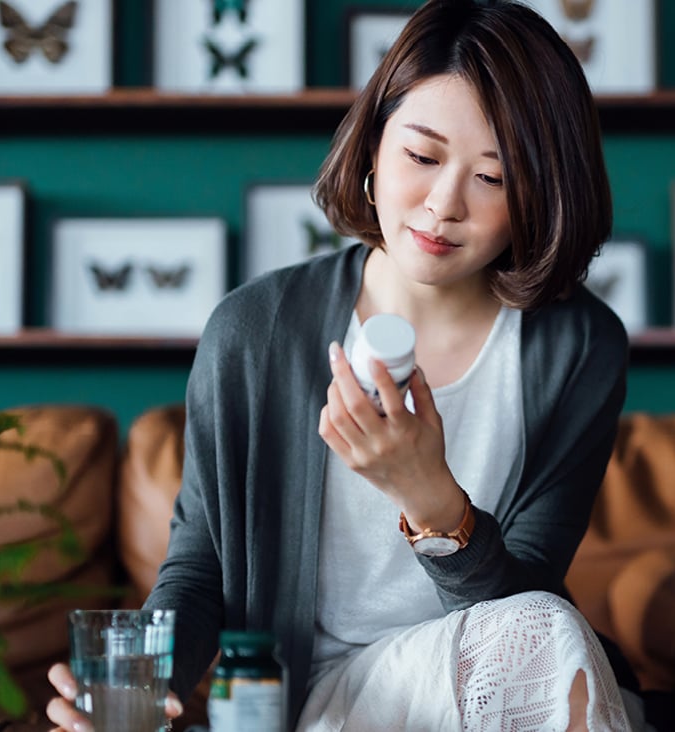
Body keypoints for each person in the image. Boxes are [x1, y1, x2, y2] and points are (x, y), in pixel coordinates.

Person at [46, 0, 637, 729]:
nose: (442, 205)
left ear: (542, 196)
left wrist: (429, 500)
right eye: (421, 157)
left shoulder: (576, 347)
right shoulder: (255, 331)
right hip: (318, 698)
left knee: (539, 626)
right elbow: (200, 568)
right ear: (374, 144)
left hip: (494, 682)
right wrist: (143, 686)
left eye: (493, 178)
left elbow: (524, 596)